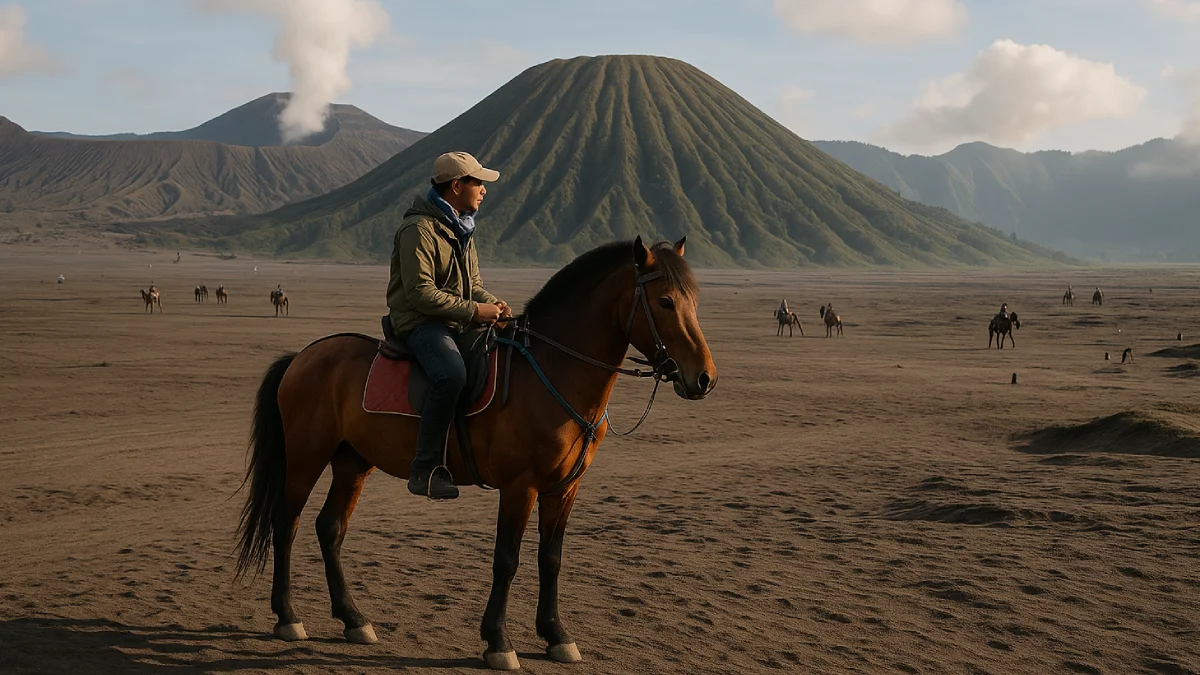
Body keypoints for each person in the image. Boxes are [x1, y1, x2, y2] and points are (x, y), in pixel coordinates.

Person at [387, 151, 510, 500]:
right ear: (457, 186)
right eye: (478, 183)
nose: (484, 190)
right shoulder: (419, 230)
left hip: (454, 320)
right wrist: (475, 311)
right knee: (451, 375)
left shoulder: (461, 228)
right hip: (420, 323)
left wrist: (495, 306)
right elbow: (421, 294)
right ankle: (424, 469)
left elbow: (473, 282)